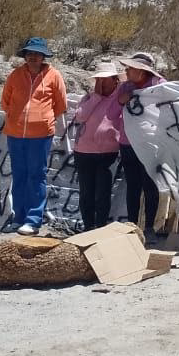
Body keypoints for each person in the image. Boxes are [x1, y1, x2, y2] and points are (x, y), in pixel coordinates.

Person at [0, 37, 67, 236]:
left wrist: (43, 119)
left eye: (37, 53)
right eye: (30, 53)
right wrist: (17, 117)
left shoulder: (54, 76)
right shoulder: (15, 75)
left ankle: (33, 220)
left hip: (41, 136)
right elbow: (5, 102)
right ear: (25, 55)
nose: (33, 57)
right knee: (19, 175)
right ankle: (18, 218)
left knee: (36, 176)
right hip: (15, 133)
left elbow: (60, 105)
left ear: (43, 56)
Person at [116, 52, 166, 241]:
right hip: (128, 142)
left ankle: (150, 227)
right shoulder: (125, 87)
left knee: (150, 185)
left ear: (141, 71)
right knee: (133, 186)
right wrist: (122, 99)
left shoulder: (159, 85)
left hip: (150, 144)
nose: (127, 71)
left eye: (130, 68)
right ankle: (133, 225)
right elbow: (115, 108)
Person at [73, 60, 122, 231]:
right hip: (84, 152)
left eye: (105, 79)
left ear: (115, 80)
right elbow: (80, 117)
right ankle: (88, 227)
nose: (101, 83)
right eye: (99, 79)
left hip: (108, 153)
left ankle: (100, 227)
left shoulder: (120, 99)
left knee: (102, 193)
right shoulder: (89, 98)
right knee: (86, 193)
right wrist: (96, 97)